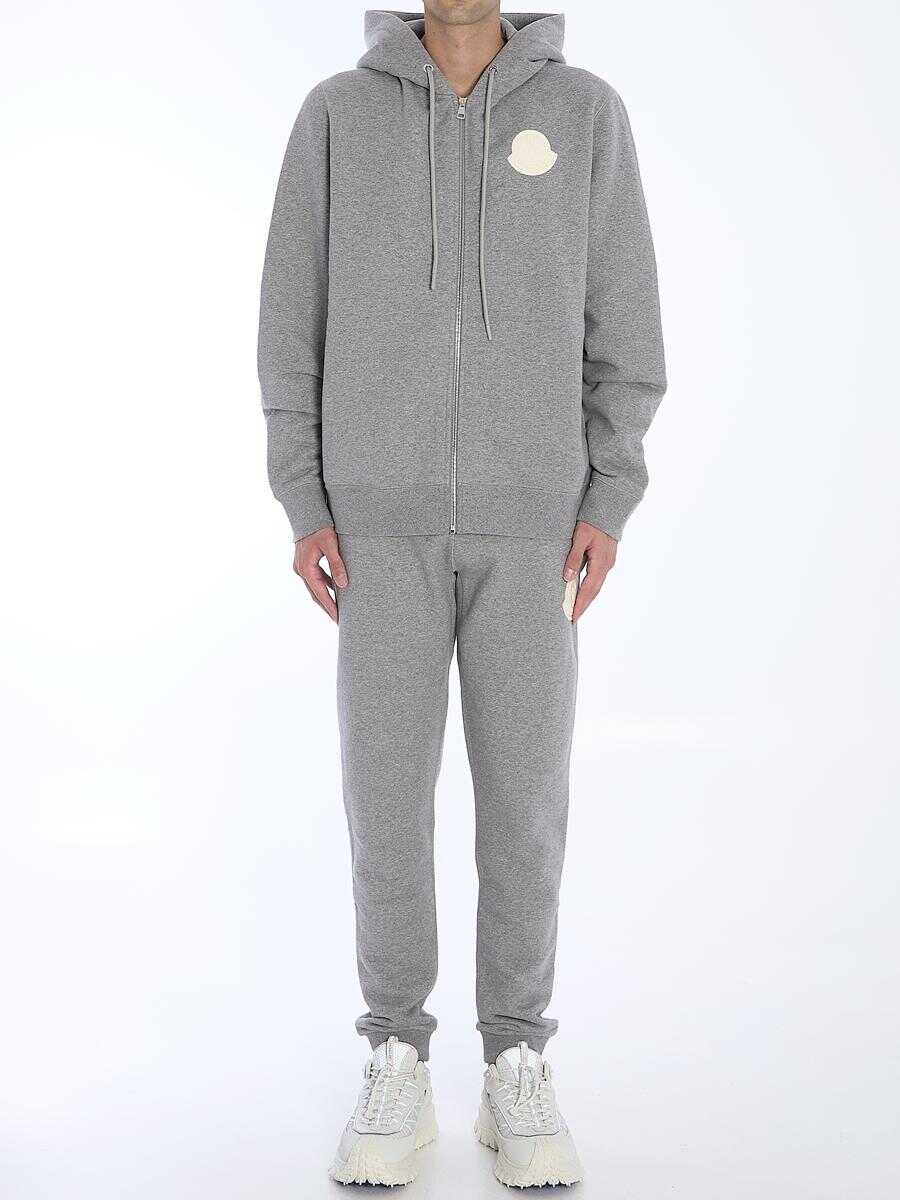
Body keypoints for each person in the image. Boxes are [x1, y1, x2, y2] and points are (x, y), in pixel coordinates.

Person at [258, 2, 665, 1187]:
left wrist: (609, 494)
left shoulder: (585, 114)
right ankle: (395, 1054)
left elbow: (626, 318)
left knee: (525, 805)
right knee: (387, 803)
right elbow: (289, 321)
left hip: (535, 530)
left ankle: (515, 1063)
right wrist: (304, 497)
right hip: (373, 531)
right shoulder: (336, 117)